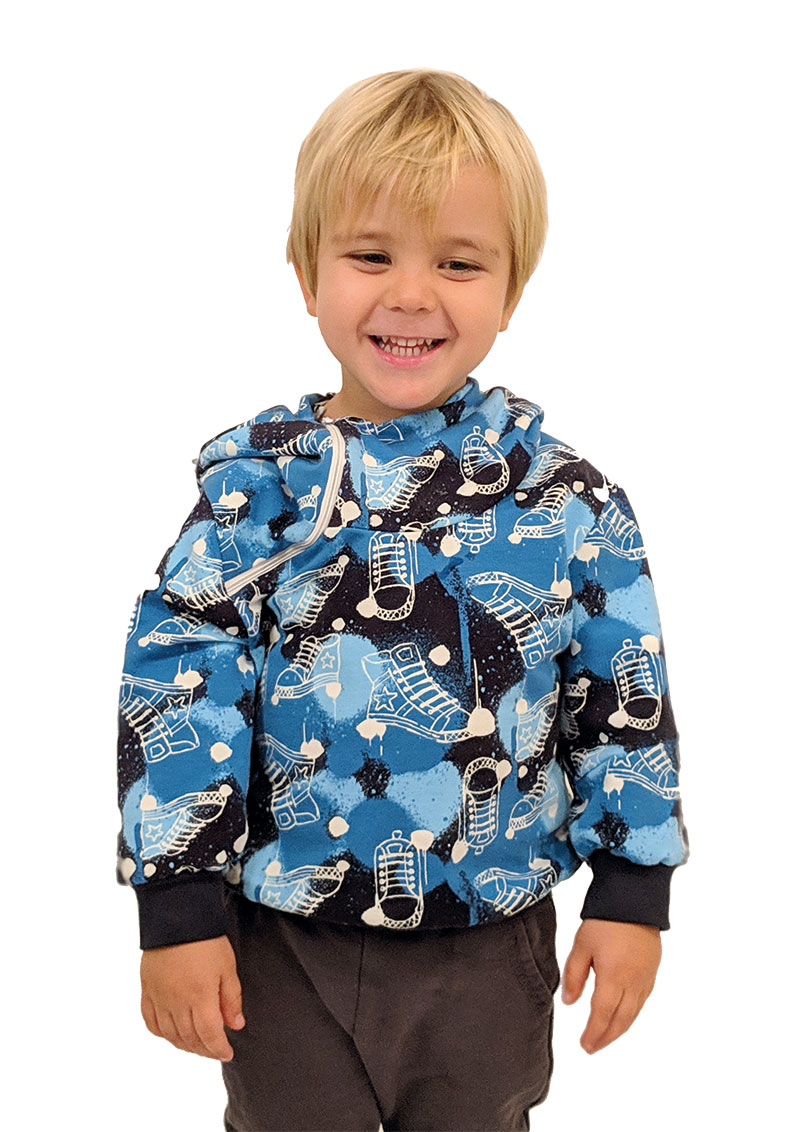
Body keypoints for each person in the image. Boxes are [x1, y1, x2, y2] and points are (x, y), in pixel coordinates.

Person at [116, 69, 689, 1132]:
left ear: (511, 290)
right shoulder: (258, 492)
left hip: (491, 941)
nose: (413, 294)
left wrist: (631, 888)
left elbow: (623, 698)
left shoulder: (567, 504)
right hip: (284, 940)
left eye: (458, 263)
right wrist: (177, 904)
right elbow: (180, 681)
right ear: (307, 273)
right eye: (371, 256)